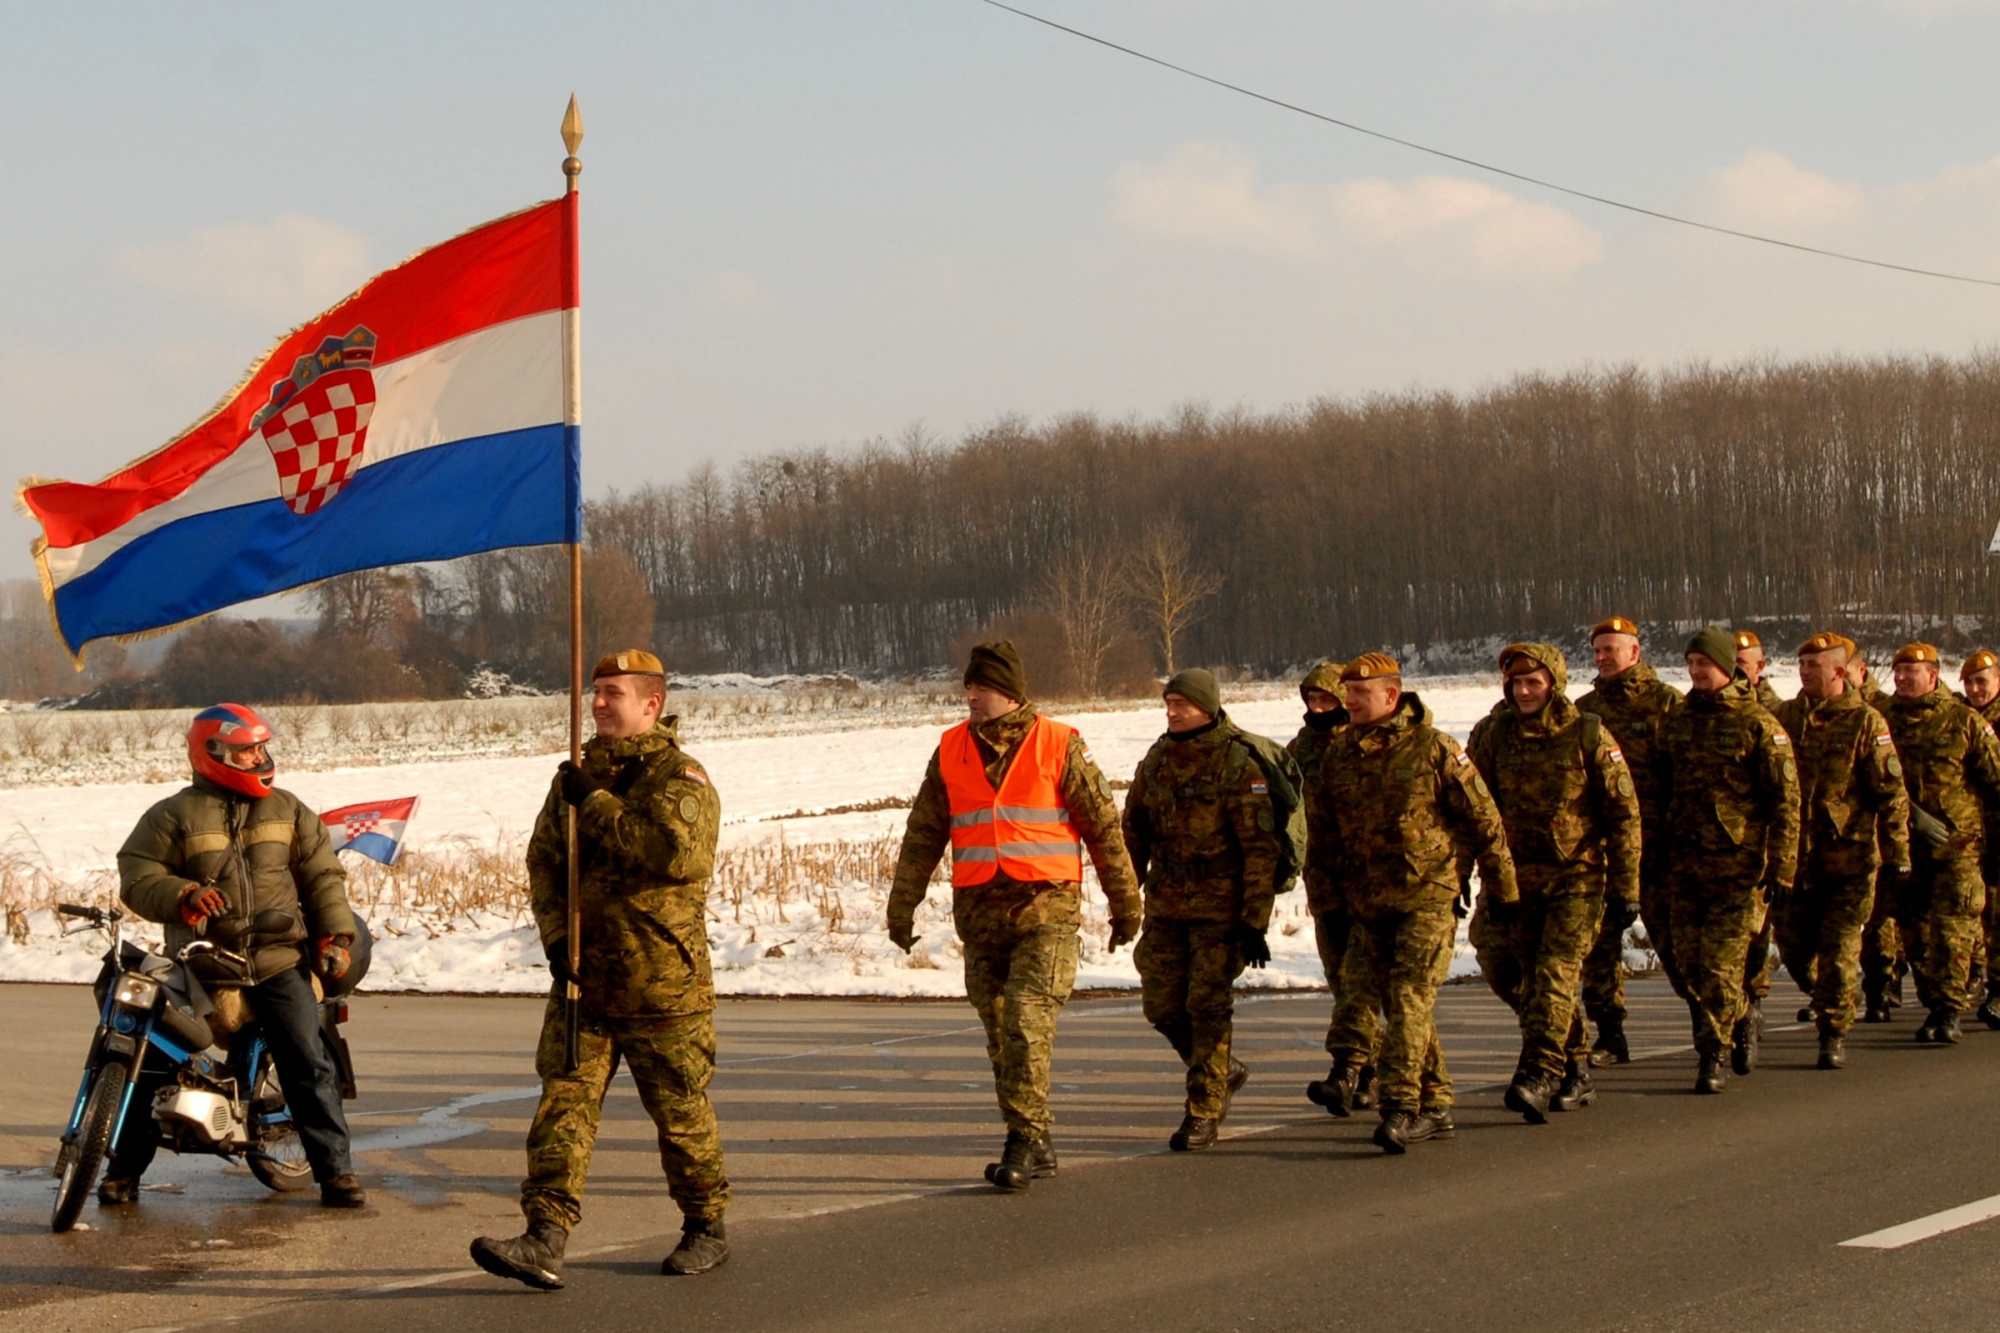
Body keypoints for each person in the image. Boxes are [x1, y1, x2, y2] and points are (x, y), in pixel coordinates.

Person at [473, 650, 730, 1290]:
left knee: (679, 1113)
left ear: (652, 704)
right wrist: (557, 937)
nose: (597, 704)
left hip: (661, 986)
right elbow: (544, 862)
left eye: (613, 693)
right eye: (595, 692)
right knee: (562, 1107)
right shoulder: (577, 776)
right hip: (585, 984)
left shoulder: (683, 779)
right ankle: (544, 1237)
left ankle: (705, 1225)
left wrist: (596, 804)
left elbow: (670, 854)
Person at [886, 641, 1141, 1189]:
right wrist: (901, 905)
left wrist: (1126, 904)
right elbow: (924, 833)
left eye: (981, 688)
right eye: (968, 688)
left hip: (1045, 912)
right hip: (980, 917)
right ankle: (1036, 1138)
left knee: (1026, 1020)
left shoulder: (1060, 745)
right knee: (1001, 1030)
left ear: (1010, 691)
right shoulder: (951, 749)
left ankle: (1023, 1139)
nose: (971, 696)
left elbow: (1103, 829)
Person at [112, 704, 364, 1208]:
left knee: (306, 1058)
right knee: (153, 1058)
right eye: (246, 749)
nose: (258, 757)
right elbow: (137, 876)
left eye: (260, 747)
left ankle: (336, 1173)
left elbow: (322, 879)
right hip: (202, 964)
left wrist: (335, 937)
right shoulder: (171, 816)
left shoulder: (290, 810)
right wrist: (181, 894)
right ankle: (122, 1174)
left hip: (276, 958)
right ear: (212, 752)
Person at [1307, 653, 1516, 1154]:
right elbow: (1325, 835)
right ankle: (1437, 1104)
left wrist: (1503, 888)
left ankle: (1401, 1106)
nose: (1349, 702)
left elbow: (1483, 821)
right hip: (1367, 902)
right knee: (1390, 1002)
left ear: (1390, 696)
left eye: (1358, 694)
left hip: (1427, 894)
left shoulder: (1434, 749)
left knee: (1409, 998)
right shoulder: (1340, 755)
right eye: (1346, 693)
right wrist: (1327, 900)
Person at [1467, 644, 1641, 1122]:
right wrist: (1464, 873)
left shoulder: (1587, 734)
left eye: (1533, 683)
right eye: (1516, 684)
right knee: (1501, 964)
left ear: (1554, 684)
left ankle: (1540, 1070)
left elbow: (1623, 815)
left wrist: (1627, 887)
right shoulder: (1491, 735)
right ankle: (1576, 1060)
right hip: (1513, 880)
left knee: (1554, 973)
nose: (1523, 692)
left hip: (1576, 878)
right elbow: (1469, 810)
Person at [1124, 668, 1284, 1151]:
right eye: (1168, 704)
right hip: (1167, 905)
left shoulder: (1236, 764)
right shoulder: (1157, 760)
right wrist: (1122, 896)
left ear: (1207, 708)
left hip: (1221, 907)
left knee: (1208, 1006)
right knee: (1162, 1005)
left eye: (1182, 704)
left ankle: (1204, 1106)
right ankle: (1220, 1070)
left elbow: (1260, 848)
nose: (1172, 712)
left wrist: (1255, 920)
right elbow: (1132, 831)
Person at [1656, 627, 1799, 1094]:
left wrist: (1782, 866)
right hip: (1686, 868)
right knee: (1689, 968)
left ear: (1727, 668)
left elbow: (1786, 802)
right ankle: (1741, 1015)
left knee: (1718, 971)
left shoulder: (1758, 724)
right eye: (1691, 664)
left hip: (1739, 871)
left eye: (1706, 664)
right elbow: (1662, 790)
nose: (1697, 672)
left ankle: (1711, 1056)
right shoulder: (1678, 720)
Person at [1771, 633, 1910, 1069]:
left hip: (1849, 860)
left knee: (1841, 948)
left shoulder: (1866, 722)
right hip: (1795, 862)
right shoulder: (1784, 719)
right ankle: (1828, 997)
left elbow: (1891, 794)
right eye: (1802, 664)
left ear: (1838, 671)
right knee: (1793, 947)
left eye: (1814, 665)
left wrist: (1899, 853)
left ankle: (1832, 1030)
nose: (1804, 671)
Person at [1575, 616, 1684, 1065]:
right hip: (1603, 848)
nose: (1602, 659)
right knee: (1598, 947)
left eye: (1611, 650)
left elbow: (1687, 775)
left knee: (1677, 948)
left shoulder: (1666, 704)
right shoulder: (1582, 710)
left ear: (1635, 654)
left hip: (1659, 847)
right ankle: (1610, 1033)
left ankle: (1717, 1018)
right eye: (1597, 651)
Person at [1881, 642, 2000, 1045]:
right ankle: (1933, 1000)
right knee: (1915, 933)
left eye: (1910, 672)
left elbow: (1996, 780)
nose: (1901, 678)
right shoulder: (1880, 722)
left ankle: (1948, 1010)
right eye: (1897, 671)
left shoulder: (1961, 721)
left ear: (1932, 676)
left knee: (1954, 932)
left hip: (1958, 848)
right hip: (1903, 848)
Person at [1956, 649, 2000, 1028]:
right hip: (1969, 834)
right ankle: (1974, 972)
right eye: (1969, 683)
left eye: (1981, 681)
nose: (1974, 689)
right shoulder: (1959, 719)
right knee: (1973, 910)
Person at [1734, 630, 1784, 714]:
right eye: (1729, 661)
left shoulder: (1776, 710)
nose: (1732, 667)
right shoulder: (1714, 704)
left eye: (1739, 662)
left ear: (1759, 667)